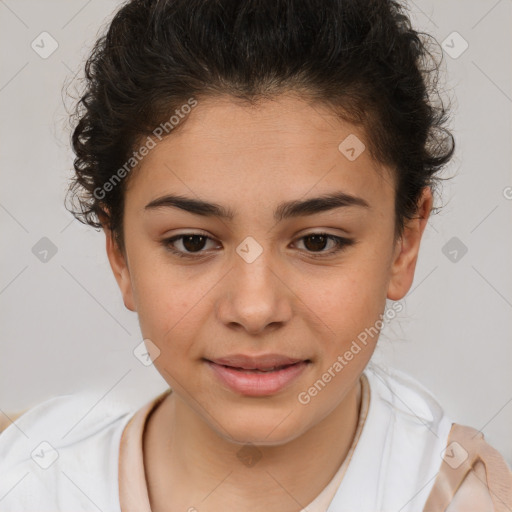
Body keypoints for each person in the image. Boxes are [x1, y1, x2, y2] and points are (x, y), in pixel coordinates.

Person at [1, 0, 511, 510]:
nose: (254, 308)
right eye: (192, 242)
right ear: (119, 252)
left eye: (318, 241)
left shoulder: (464, 497)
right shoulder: (25, 475)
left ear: (405, 242)